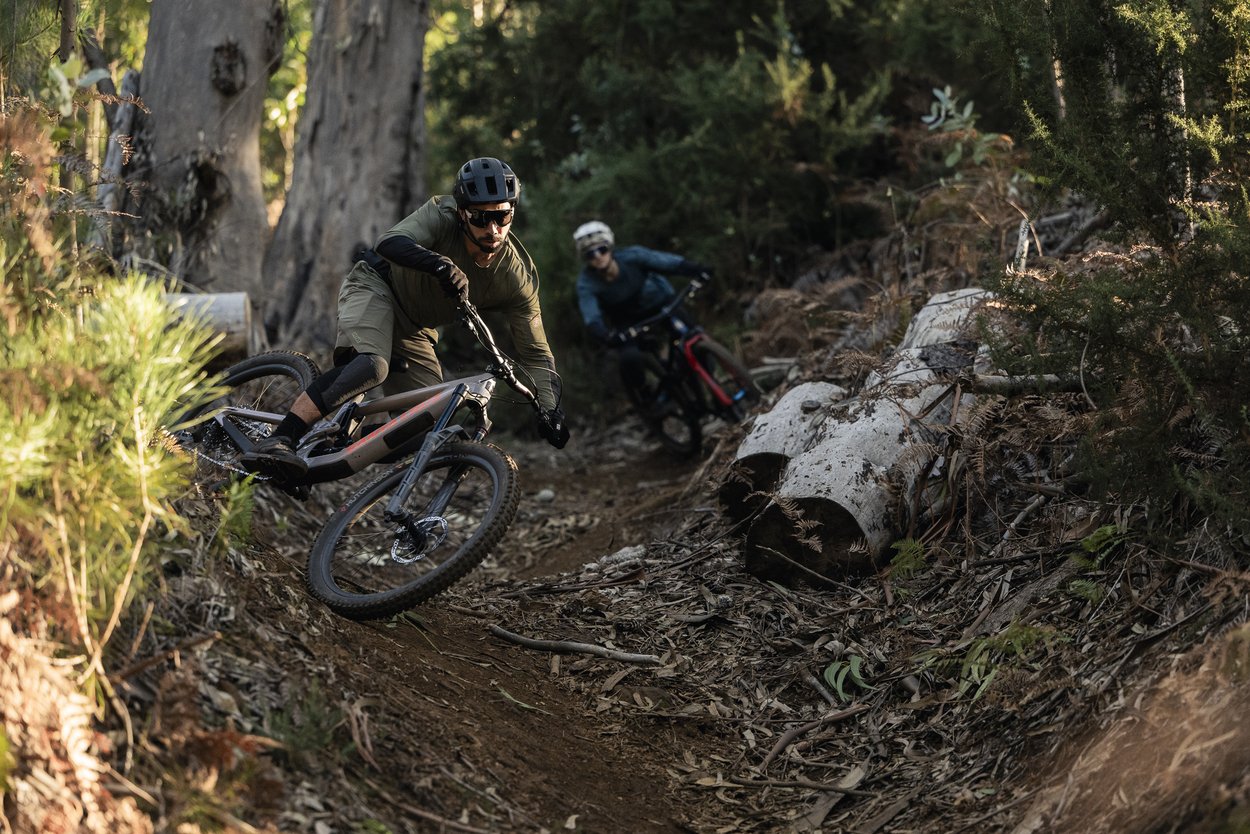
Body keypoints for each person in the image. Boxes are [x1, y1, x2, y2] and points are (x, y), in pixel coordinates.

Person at [244, 157, 569, 477]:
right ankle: (280, 439)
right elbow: (390, 242)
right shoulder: (442, 215)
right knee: (373, 364)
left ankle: (319, 456)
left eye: (503, 215)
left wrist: (551, 410)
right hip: (376, 288)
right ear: (461, 212)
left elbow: (537, 354)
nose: (493, 229)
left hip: (414, 329)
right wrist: (438, 264)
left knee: (425, 425)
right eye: (481, 217)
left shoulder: (515, 277)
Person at [572, 220, 710, 402]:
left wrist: (698, 270)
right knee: (630, 358)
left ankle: (710, 381)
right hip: (627, 321)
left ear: (610, 248)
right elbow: (591, 315)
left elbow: (667, 263)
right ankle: (647, 395)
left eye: (602, 249)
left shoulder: (632, 256)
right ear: (586, 259)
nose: (598, 256)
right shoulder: (586, 283)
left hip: (661, 303)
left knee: (694, 337)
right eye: (590, 254)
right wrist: (605, 335)